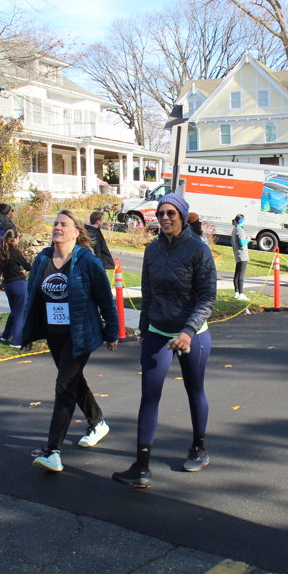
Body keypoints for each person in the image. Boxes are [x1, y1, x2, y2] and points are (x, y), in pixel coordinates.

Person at [113, 193, 217, 488]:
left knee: (194, 390)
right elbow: (148, 293)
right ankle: (141, 466)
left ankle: (199, 448)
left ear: (182, 216)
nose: (165, 218)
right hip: (158, 331)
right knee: (149, 396)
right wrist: (144, 330)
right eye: (160, 214)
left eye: (171, 213)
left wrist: (187, 331)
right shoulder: (153, 250)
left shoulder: (198, 250)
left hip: (193, 334)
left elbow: (207, 297)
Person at [22, 210, 119, 473]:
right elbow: (32, 299)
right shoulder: (43, 258)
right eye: (55, 223)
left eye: (64, 224)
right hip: (54, 334)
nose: (57, 227)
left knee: (64, 385)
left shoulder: (87, 261)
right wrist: (26, 333)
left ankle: (53, 451)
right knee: (73, 381)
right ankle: (97, 422)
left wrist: (112, 332)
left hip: (81, 334)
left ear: (76, 232)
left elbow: (105, 298)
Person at [0, 230, 33, 347]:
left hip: (8, 285)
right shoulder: (15, 253)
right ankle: (17, 340)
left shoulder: (2, 252)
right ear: (15, 239)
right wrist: (24, 270)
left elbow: (8, 268)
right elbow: (28, 266)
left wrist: (19, 270)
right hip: (19, 284)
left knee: (14, 311)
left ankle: (6, 335)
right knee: (20, 313)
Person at [231, 214, 250, 300]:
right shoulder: (240, 230)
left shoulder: (235, 229)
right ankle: (241, 293)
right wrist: (248, 239)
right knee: (241, 275)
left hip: (237, 254)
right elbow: (242, 243)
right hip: (242, 255)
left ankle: (236, 292)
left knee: (237, 274)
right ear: (242, 221)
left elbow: (232, 242)